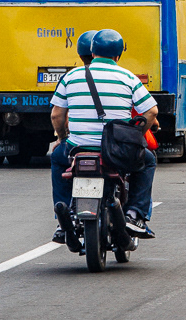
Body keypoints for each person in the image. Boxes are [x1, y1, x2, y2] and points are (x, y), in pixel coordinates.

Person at [49, 28, 158, 246]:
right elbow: (152, 112)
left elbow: (56, 114)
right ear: (118, 55)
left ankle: (63, 219)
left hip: (77, 148)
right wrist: (135, 134)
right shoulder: (128, 77)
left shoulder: (71, 76)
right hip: (117, 150)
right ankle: (134, 214)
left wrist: (62, 138)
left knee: (57, 158)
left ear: (91, 51)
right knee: (148, 161)